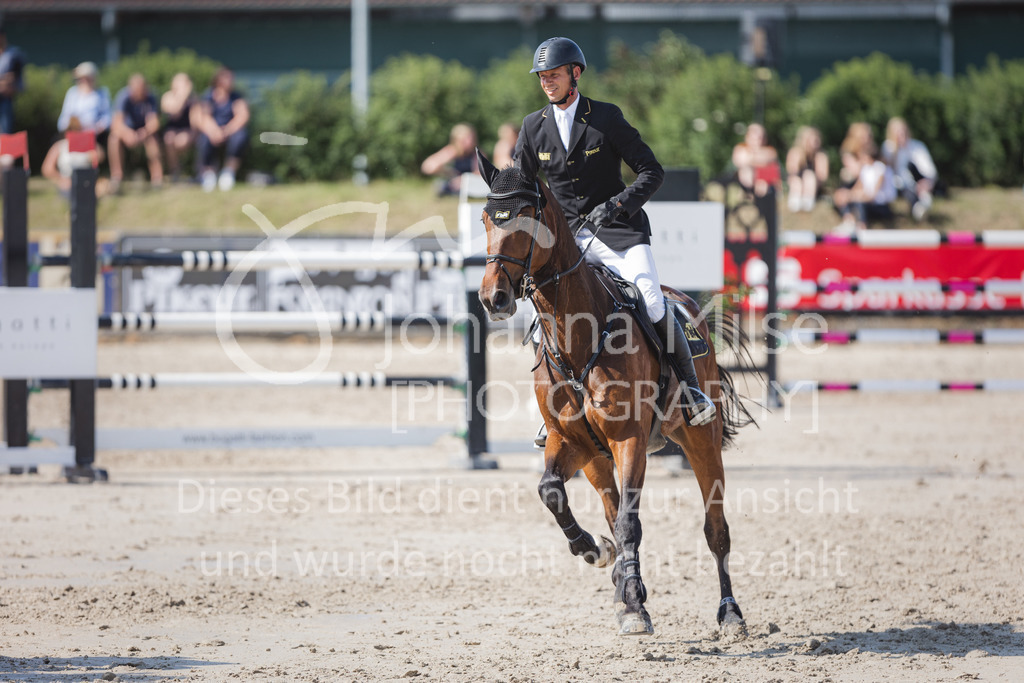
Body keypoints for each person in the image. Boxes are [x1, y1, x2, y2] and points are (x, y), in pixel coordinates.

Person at [514, 36, 715, 439]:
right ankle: (557, 407)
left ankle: (691, 391)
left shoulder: (605, 117)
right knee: (541, 318)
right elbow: (522, 184)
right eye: (542, 77)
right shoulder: (533, 126)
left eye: (553, 75)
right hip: (570, 244)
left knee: (653, 300)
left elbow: (650, 172)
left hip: (619, 232)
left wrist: (618, 205)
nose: (547, 83)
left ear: (575, 74)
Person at [194, 67, 249, 192]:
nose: (231, 81)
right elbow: (203, 117)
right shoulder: (208, 96)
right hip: (212, 130)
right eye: (228, 78)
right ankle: (208, 175)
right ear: (218, 80)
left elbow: (242, 116)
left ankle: (229, 173)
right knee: (204, 139)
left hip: (231, 130)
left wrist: (227, 130)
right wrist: (214, 131)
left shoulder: (236, 97)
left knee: (240, 137)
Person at [108, 73, 163, 191]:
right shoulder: (123, 97)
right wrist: (128, 134)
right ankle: (117, 177)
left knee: (153, 140)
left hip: (144, 131)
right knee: (114, 139)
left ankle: (157, 179)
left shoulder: (151, 97)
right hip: (126, 130)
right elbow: (116, 123)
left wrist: (144, 132)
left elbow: (154, 122)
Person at [832, 141, 895, 234]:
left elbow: (873, 195)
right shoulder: (865, 169)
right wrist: (845, 195)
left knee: (858, 202)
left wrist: (852, 196)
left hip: (881, 205)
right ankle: (849, 222)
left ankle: (862, 227)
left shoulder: (880, 168)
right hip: (869, 202)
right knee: (847, 198)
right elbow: (856, 189)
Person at [883, 117, 939, 221]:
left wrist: (927, 182)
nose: (901, 135)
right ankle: (918, 207)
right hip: (898, 184)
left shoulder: (918, 146)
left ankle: (922, 205)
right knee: (906, 188)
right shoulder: (888, 148)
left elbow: (929, 170)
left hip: (918, 181)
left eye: (903, 132)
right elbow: (887, 171)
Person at [41, 116, 108, 199]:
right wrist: (61, 179)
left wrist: (93, 147)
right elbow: (47, 169)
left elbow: (101, 156)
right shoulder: (60, 146)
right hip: (68, 183)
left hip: (87, 182)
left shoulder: (89, 146)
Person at [57, 62, 111, 155]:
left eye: (87, 78)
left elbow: (107, 118)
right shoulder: (72, 93)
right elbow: (63, 120)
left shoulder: (102, 93)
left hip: (94, 136)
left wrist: (95, 128)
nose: (84, 81)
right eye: (81, 78)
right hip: (73, 135)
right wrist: (72, 126)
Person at [420, 122, 478, 196]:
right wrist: (447, 172)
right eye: (465, 139)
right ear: (457, 140)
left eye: (471, 138)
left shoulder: (476, 153)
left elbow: (481, 173)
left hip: (471, 185)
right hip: (453, 185)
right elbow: (428, 167)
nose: (469, 142)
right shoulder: (451, 151)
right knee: (440, 185)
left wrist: (463, 180)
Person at [161, 72, 197, 182]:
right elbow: (175, 112)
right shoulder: (167, 96)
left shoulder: (193, 99)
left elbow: (195, 121)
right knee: (169, 139)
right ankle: (175, 172)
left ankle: (190, 171)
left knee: (183, 140)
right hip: (171, 131)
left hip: (187, 132)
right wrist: (182, 97)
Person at [785, 125, 829, 212]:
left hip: (813, 184)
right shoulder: (795, 152)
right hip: (798, 183)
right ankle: (795, 202)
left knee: (809, 175)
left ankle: (807, 201)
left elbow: (823, 176)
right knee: (797, 180)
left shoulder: (821, 156)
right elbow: (792, 171)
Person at [732, 122, 779, 197]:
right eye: (755, 137)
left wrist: (751, 157)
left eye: (761, 137)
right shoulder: (740, 147)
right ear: (748, 137)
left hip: (766, 183)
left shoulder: (770, 150)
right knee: (747, 170)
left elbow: (770, 157)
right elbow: (739, 160)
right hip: (746, 183)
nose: (758, 141)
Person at [0, 28, 27, 135]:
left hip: (5, 101)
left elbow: (13, 80)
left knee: (4, 135)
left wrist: (6, 82)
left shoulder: (14, 54)